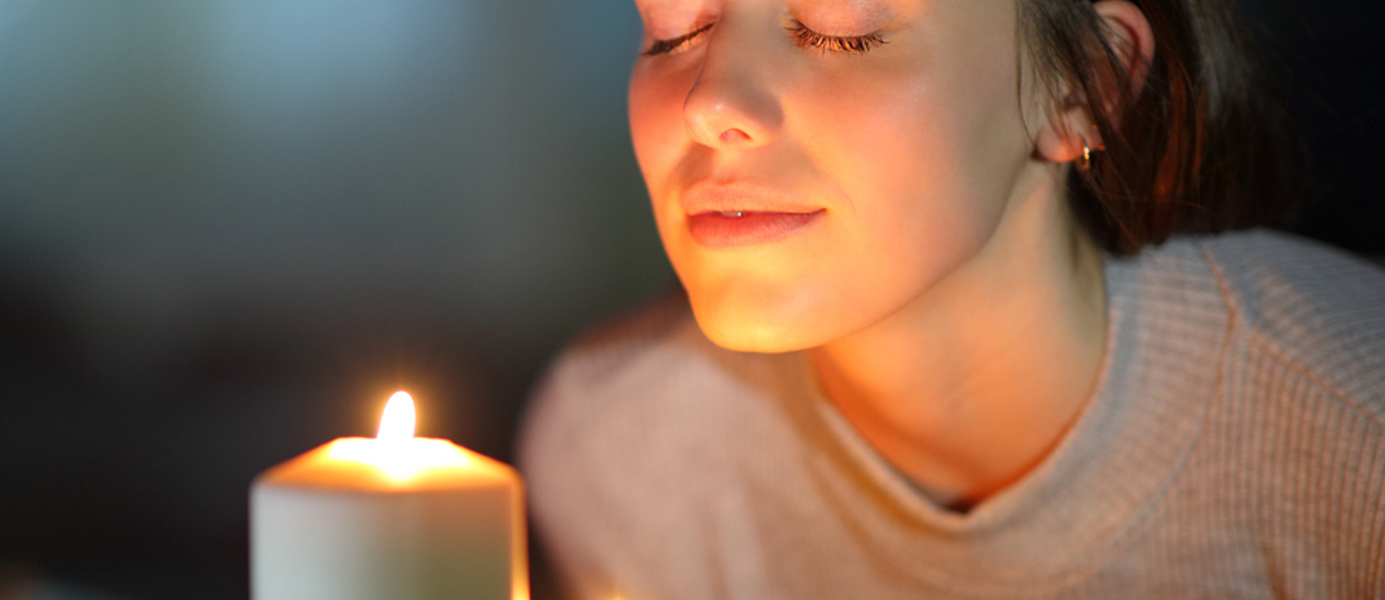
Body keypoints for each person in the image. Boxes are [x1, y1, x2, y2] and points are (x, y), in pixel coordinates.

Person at [517, 0, 1385, 596]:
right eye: (672, 31)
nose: (710, 103)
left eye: (839, 28)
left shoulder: (1354, 440)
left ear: (1088, 83)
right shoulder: (618, 456)